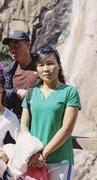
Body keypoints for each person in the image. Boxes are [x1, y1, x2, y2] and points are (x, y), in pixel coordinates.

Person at [20, 46, 81, 179]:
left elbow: (66, 129)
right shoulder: (31, 93)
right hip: (34, 160)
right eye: (41, 65)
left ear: (58, 65)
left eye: (50, 63)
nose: (46, 69)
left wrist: (43, 154)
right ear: (36, 68)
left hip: (60, 161)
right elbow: (24, 126)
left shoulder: (70, 92)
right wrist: (32, 154)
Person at [2, 29, 38, 118]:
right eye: (10, 47)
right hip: (19, 119)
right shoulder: (9, 71)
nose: (13, 50)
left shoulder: (41, 65)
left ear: (28, 45)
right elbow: (4, 92)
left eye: (17, 46)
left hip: (40, 115)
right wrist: (17, 92)